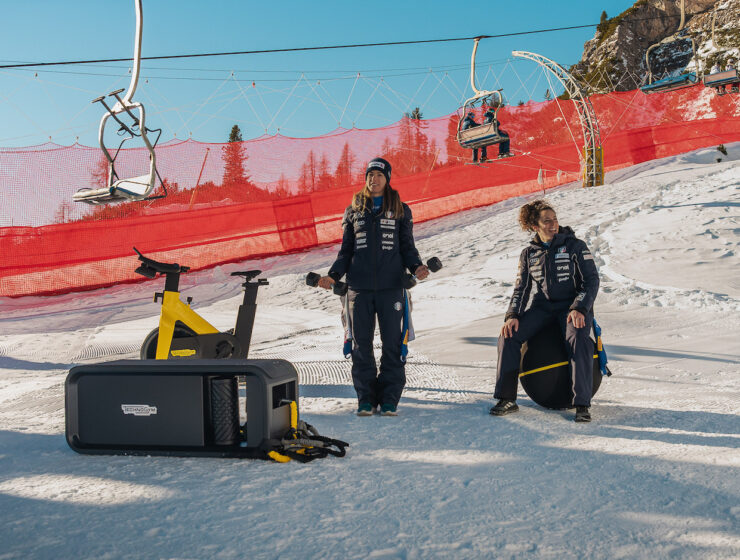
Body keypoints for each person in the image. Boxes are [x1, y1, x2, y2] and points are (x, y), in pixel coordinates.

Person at [317, 157, 429, 416]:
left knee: (393, 344)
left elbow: (407, 247)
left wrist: (417, 267)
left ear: (387, 178)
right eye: (370, 175)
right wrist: (333, 276)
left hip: (392, 289)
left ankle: (389, 399)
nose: (373, 179)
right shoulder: (354, 209)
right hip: (359, 289)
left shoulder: (400, 208)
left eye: (379, 175)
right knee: (360, 346)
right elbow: (346, 251)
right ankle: (365, 399)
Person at [491, 200, 600, 422]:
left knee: (578, 336)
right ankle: (506, 399)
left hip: (572, 307)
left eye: (555, 219)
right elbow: (521, 289)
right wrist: (511, 316)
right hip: (542, 307)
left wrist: (580, 308)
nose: (553, 224)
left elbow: (591, 281)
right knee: (508, 335)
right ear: (534, 226)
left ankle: (581, 404)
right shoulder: (529, 253)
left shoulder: (575, 246)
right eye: (547, 221)